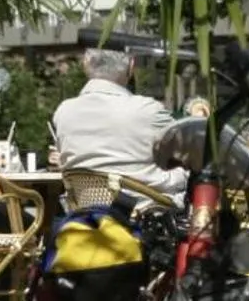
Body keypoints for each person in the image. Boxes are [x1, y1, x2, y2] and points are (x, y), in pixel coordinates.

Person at [50, 47, 189, 197]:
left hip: (83, 206)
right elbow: (183, 150)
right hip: (142, 210)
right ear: (131, 66)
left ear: (85, 64)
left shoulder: (64, 112)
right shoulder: (149, 110)